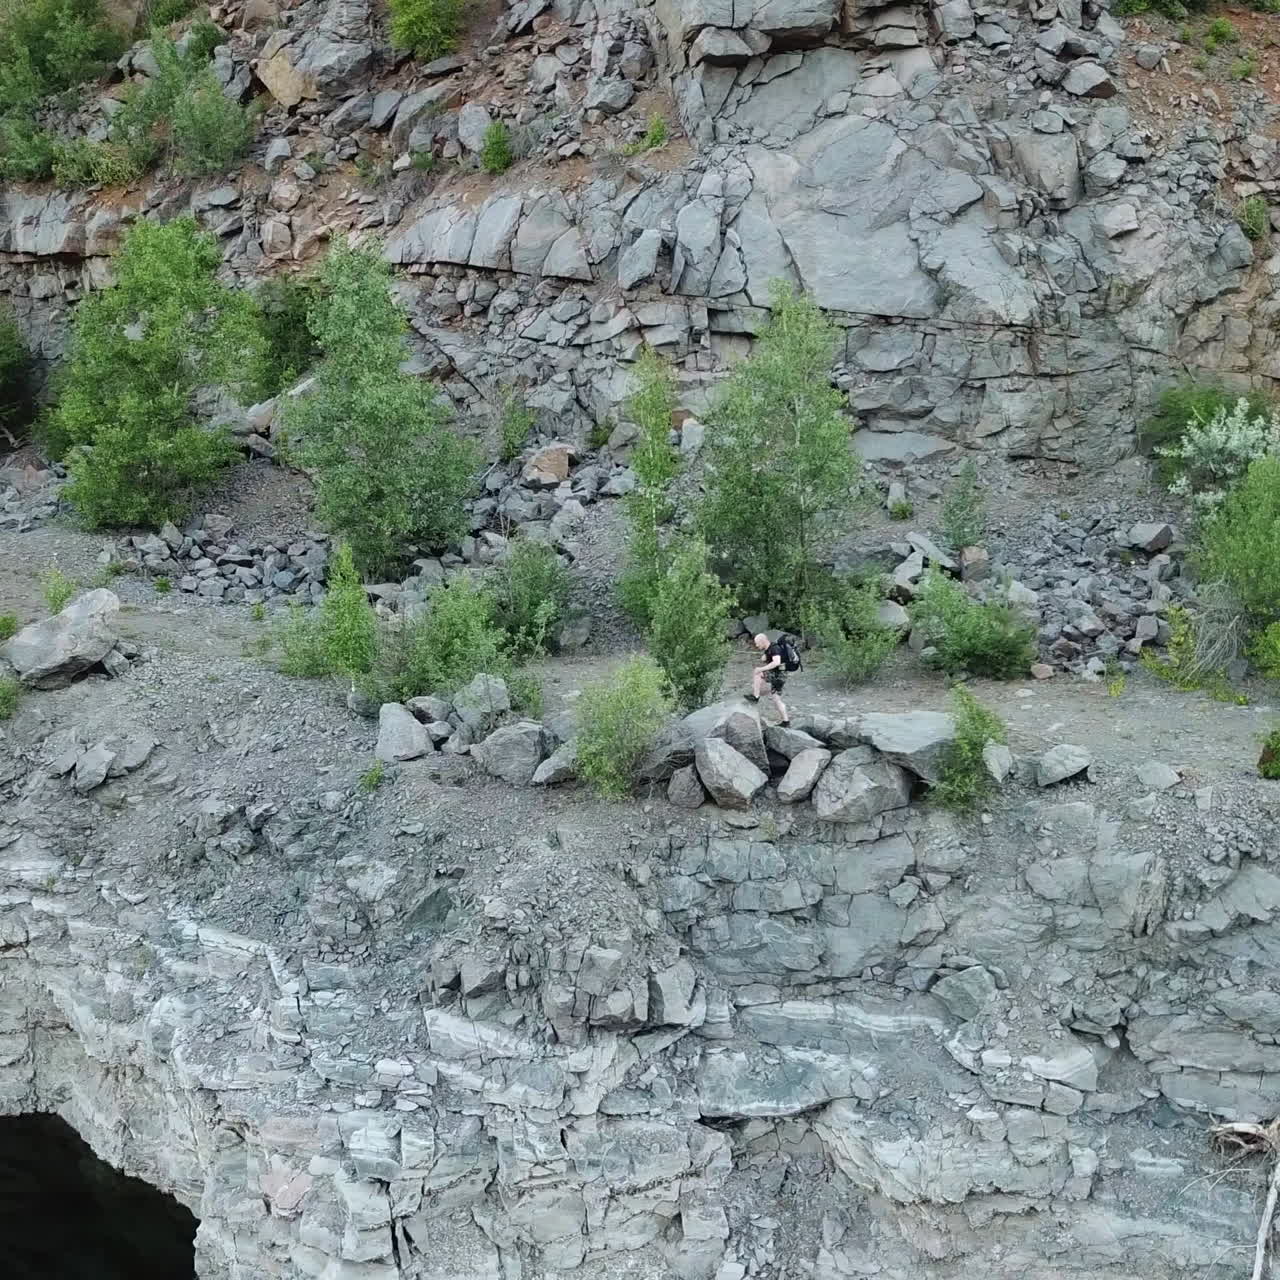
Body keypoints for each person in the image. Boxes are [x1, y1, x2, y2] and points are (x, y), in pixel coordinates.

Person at [748, 633, 790, 726]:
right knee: (776, 699)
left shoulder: (774, 648)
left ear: (762, 641)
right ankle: (786, 721)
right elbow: (770, 659)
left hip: (779, 675)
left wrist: (761, 669)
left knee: (758, 673)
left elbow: (776, 662)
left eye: (757, 643)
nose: (756, 645)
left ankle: (756, 697)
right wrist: (765, 658)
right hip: (779, 675)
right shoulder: (768, 649)